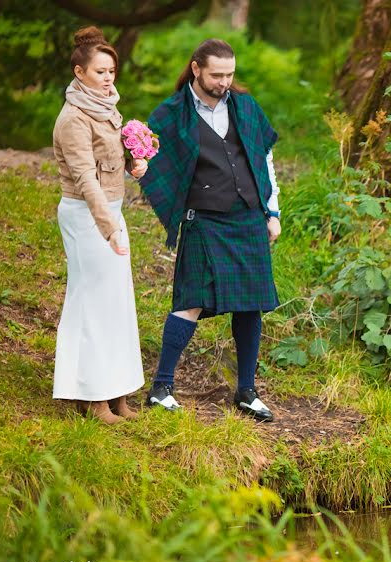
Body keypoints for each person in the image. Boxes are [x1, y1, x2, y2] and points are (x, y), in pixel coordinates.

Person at [139, 38, 282, 422]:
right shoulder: (172, 114)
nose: (224, 82)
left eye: (230, 74)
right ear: (196, 68)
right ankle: (161, 386)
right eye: (217, 75)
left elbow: (263, 159)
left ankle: (247, 391)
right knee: (191, 298)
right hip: (204, 218)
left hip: (248, 216)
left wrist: (273, 211)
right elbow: (147, 160)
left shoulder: (245, 107)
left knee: (251, 303)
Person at [52, 26, 148, 424]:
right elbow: (85, 179)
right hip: (87, 216)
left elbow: (110, 160)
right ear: (79, 73)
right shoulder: (73, 118)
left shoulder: (108, 107)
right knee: (92, 303)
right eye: (100, 72)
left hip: (111, 212)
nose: (108, 79)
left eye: (112, 71)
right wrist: (108, 227)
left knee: (118, 305)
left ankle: (118, 392)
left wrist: (134, 162)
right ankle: (92, 398)